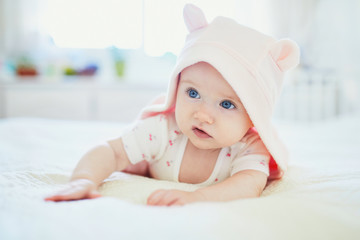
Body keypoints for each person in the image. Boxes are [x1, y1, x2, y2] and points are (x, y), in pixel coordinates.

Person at [45, 4, 300, 206]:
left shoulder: (249, 148)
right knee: (125, 155)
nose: (203, 115)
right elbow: (110, 151)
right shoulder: (164, 130)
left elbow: (248, 185)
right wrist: (83, 179)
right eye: (192, 92)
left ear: (254, 116)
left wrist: (199, 198)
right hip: (147, 159)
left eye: (226, 104)